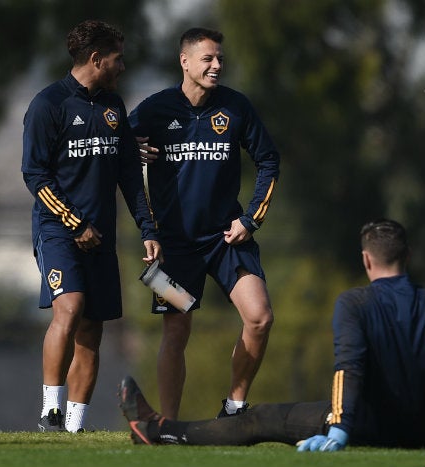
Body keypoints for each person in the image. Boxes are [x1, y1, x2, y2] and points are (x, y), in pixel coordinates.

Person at [118, 218, 425, 450]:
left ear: (366, 259)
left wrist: (340, 430)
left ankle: (161, 429)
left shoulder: (356, 303)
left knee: (259, 418)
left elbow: (349, 369)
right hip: (418, 427)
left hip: (366, 422)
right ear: (407, 256)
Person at [128, 27, 280, 419]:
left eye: (220, 59)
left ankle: (234, 406)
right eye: (208, 59)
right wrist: (131, 149)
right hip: (173, 246)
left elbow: (269, 160)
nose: (216, 66)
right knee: (175, 333)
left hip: (227, 239)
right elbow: (114, 149)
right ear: (185, 61)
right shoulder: (154, 109)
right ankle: (170, 424)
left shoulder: (236, 107)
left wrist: (251, 220)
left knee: (260, 318)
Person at [22, 20, 162, 433]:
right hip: (58, 230)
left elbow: (128, 176)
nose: (123, 66)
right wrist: (73, 221)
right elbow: (34, 175)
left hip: (101, 234)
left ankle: (75, 427)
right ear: (97, 59)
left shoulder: (114, 107)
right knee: (71, 306)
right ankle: (51, 410)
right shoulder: (48, 105)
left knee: (92, 330)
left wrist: (148, 229)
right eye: (117, 58)